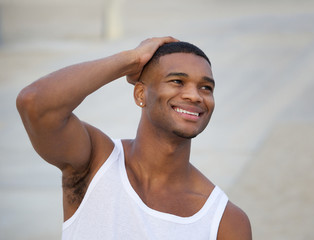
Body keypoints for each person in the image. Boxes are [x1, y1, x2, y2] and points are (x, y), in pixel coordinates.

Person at [16, 36, 252, 239]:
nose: (194, 95)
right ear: (141, 94)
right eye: (177, 81)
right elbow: (34, 103)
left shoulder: (225, 221)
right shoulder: (95, 164)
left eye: (206, 87)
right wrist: (132, 60)